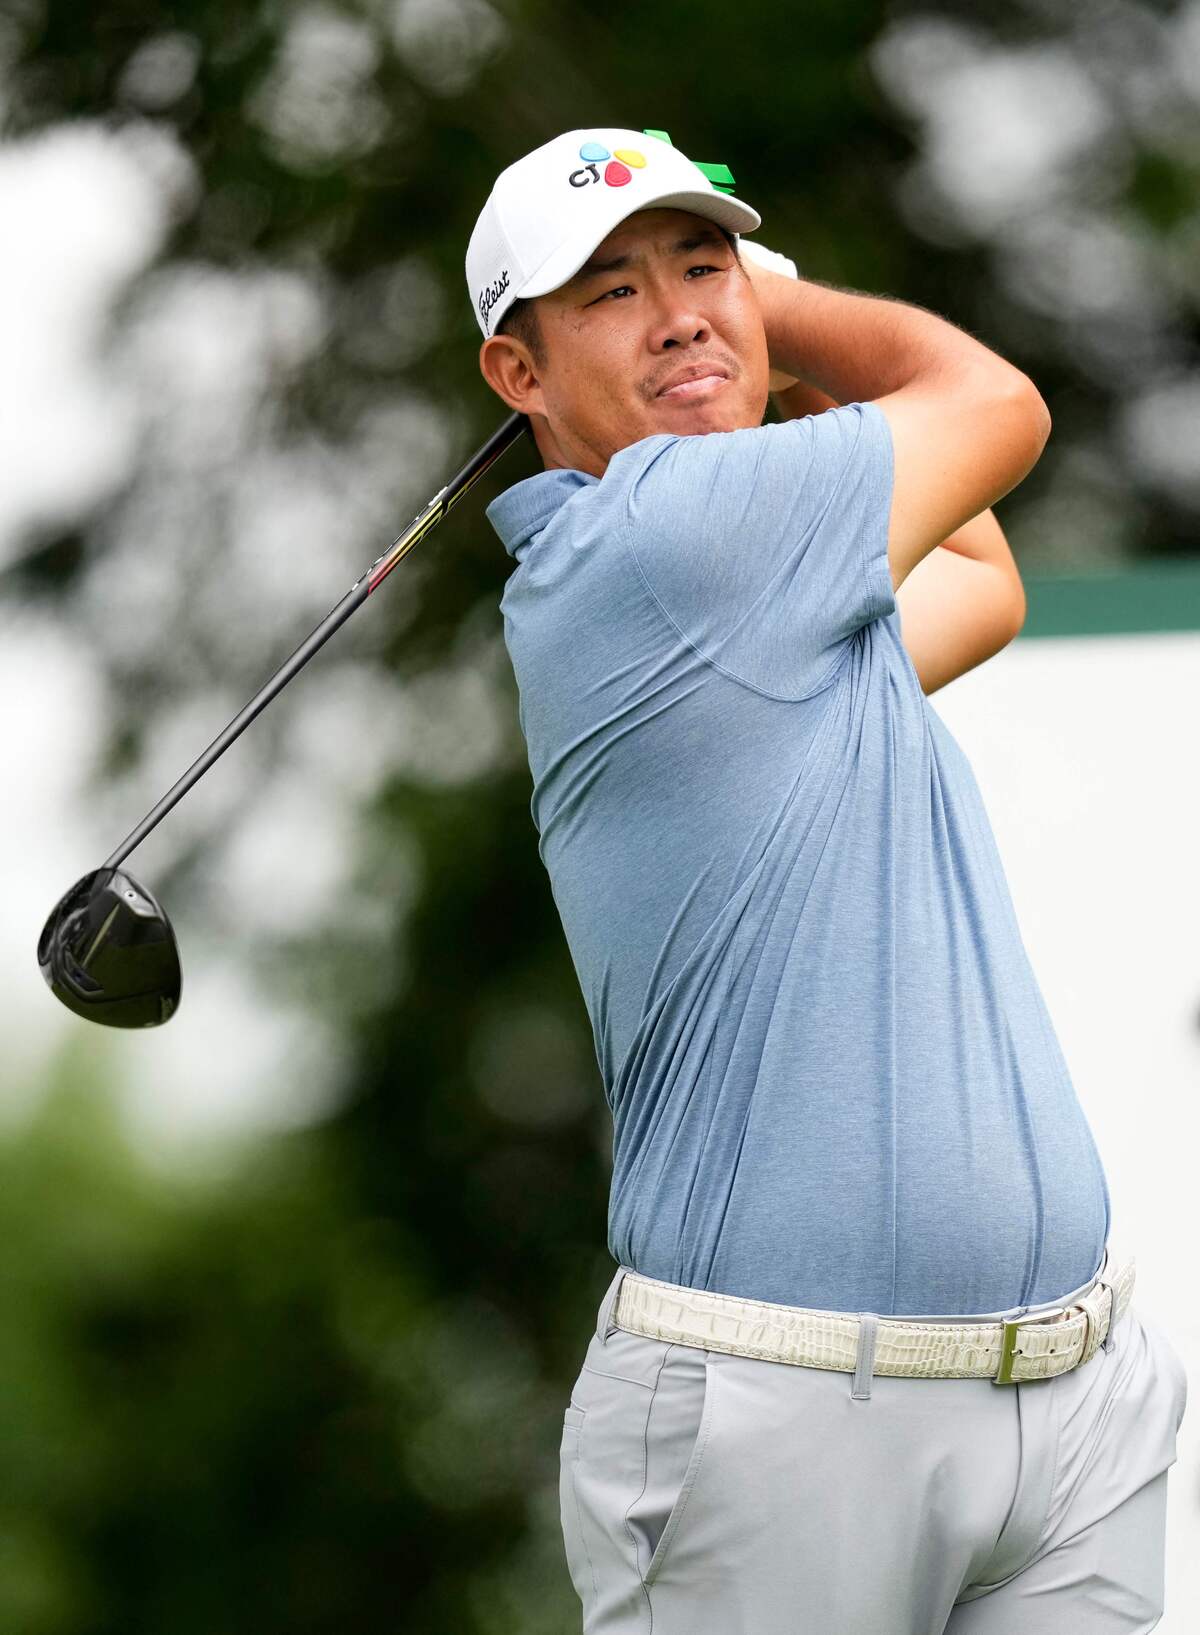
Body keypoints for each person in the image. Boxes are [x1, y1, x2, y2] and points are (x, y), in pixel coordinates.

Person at [464, 127, 1188, 1633]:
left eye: (701, 265)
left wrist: (739, 344)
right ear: (518, 374)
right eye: (612, 292)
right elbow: (997, 405)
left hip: (1066, 1402)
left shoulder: (768, 588)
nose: (676, 313)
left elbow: (980, 584)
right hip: (785, 1414)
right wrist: (769, 315)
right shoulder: (668, 539)